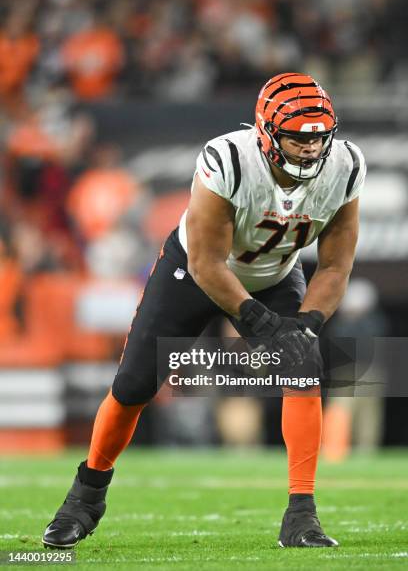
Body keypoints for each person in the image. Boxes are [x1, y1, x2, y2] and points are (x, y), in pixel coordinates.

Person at [42, 72, 366, 549]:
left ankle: (302, 515)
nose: (310, 149)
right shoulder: (228, 160)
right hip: (196, 272)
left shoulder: (346, 167)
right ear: (266, 133)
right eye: (297, 138)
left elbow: (336, 267)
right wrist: (259, 320)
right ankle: (85, 495)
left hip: (276, 273)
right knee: (133, 386)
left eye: (317, 138)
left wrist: (307, 324)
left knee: (304, 366)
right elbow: (207, 262)